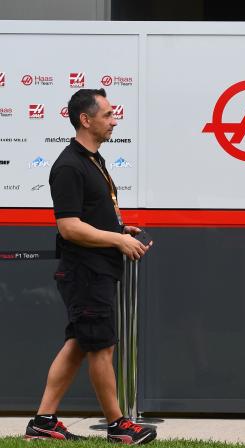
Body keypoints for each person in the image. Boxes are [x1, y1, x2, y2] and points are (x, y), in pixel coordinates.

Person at [24, 88, 157, 445]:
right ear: (86, 119)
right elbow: (68, 226)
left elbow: (88, 217)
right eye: (108, 114)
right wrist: (117, 241)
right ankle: (117, 425)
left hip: (95, 268)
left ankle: (43, 421)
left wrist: (119, 229)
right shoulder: (69, 165)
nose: (114, 120)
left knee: (81, 342)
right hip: (85, 271)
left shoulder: (93, 160)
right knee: (100, 345)